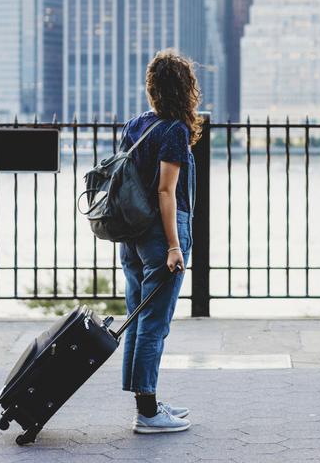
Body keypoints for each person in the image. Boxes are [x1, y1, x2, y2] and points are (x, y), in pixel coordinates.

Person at [118, 49, 201, 434]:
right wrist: (173, 245)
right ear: (185, 90)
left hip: (131, 236)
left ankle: (146, 400)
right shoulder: (175, 131)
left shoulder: (135, 125)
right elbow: (166, 192)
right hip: (160, 236)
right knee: (154, 324)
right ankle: (147, 414)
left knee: (138, 318)